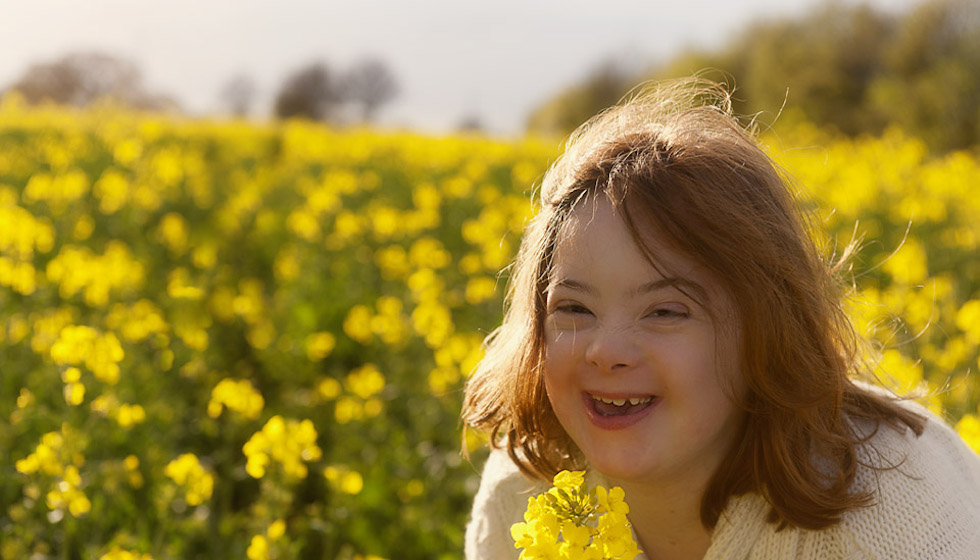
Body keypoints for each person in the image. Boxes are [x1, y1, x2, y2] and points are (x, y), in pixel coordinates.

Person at [460, 78, 980, 560]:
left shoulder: (897, 505)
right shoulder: (524, 488)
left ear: (765, 326)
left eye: (666, 310)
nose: (605, 350)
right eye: (574, 308)